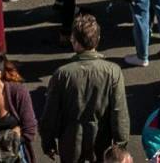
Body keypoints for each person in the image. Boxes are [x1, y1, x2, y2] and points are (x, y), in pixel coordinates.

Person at [39, 15, 132, 163]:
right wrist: (120, 145)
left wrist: (48, 142)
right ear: (98, 38)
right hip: (102, 142)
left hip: (70, 142)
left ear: (74, 41)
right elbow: (119, 112)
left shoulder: (62, 74)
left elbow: (49, 114)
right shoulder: (113, 71)